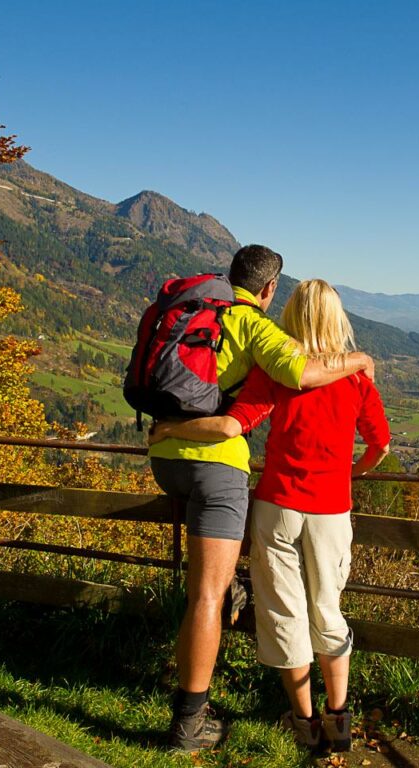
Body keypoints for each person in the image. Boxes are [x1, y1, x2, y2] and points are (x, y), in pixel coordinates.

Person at [147, 246, 376, 752]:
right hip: (252, 481)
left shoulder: (200, 311)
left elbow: (236, 415)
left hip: (181, 468)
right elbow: (309, 380)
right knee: (224, 598)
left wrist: (170, 428)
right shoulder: (260, 331)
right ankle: (197, 722)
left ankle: (303, 720)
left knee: (276, 609)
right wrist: (358, 360)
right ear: (269, 289)